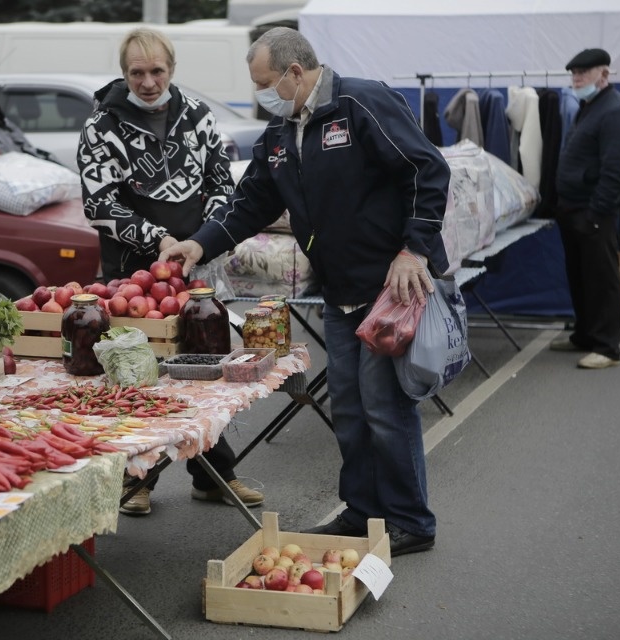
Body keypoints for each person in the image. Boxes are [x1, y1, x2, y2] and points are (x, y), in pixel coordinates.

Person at [159, 27, 450, 556]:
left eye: (266, 83)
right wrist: (199, 245)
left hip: (388, 288)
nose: (262, 95)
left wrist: (414, 249)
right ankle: (361, 513)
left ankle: (411, 521)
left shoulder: (360, 102)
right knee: (350, 410)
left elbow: (427, 169)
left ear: (296, 72)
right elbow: (251, 202)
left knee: (385, 409)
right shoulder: (280, 131)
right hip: (337, 290)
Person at [77, 27, 263, 516]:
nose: (147, 81)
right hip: (131, 274)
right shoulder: (102, 125)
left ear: (171, 69)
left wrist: (198, 241)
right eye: (137, 72)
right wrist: (155, 240)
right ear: (125, 74)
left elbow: (225, 184)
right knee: (135, 377)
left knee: (207, 371)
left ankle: (214, 473)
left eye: (156, 70)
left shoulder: (198, 116)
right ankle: (135, 480)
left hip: (198, 264)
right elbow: (98, 204)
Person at [551, 49, 620, 369]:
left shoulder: (616, 112)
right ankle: (586, 335)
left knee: (601, 278)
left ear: (603, 75)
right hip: (574, 209)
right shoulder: (590, 107)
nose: (577, 79)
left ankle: (607, 347)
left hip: (592, 211)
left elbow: (615, 171)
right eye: (574, 73)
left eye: (583, 73)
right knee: (581, 277)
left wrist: (597, 214)